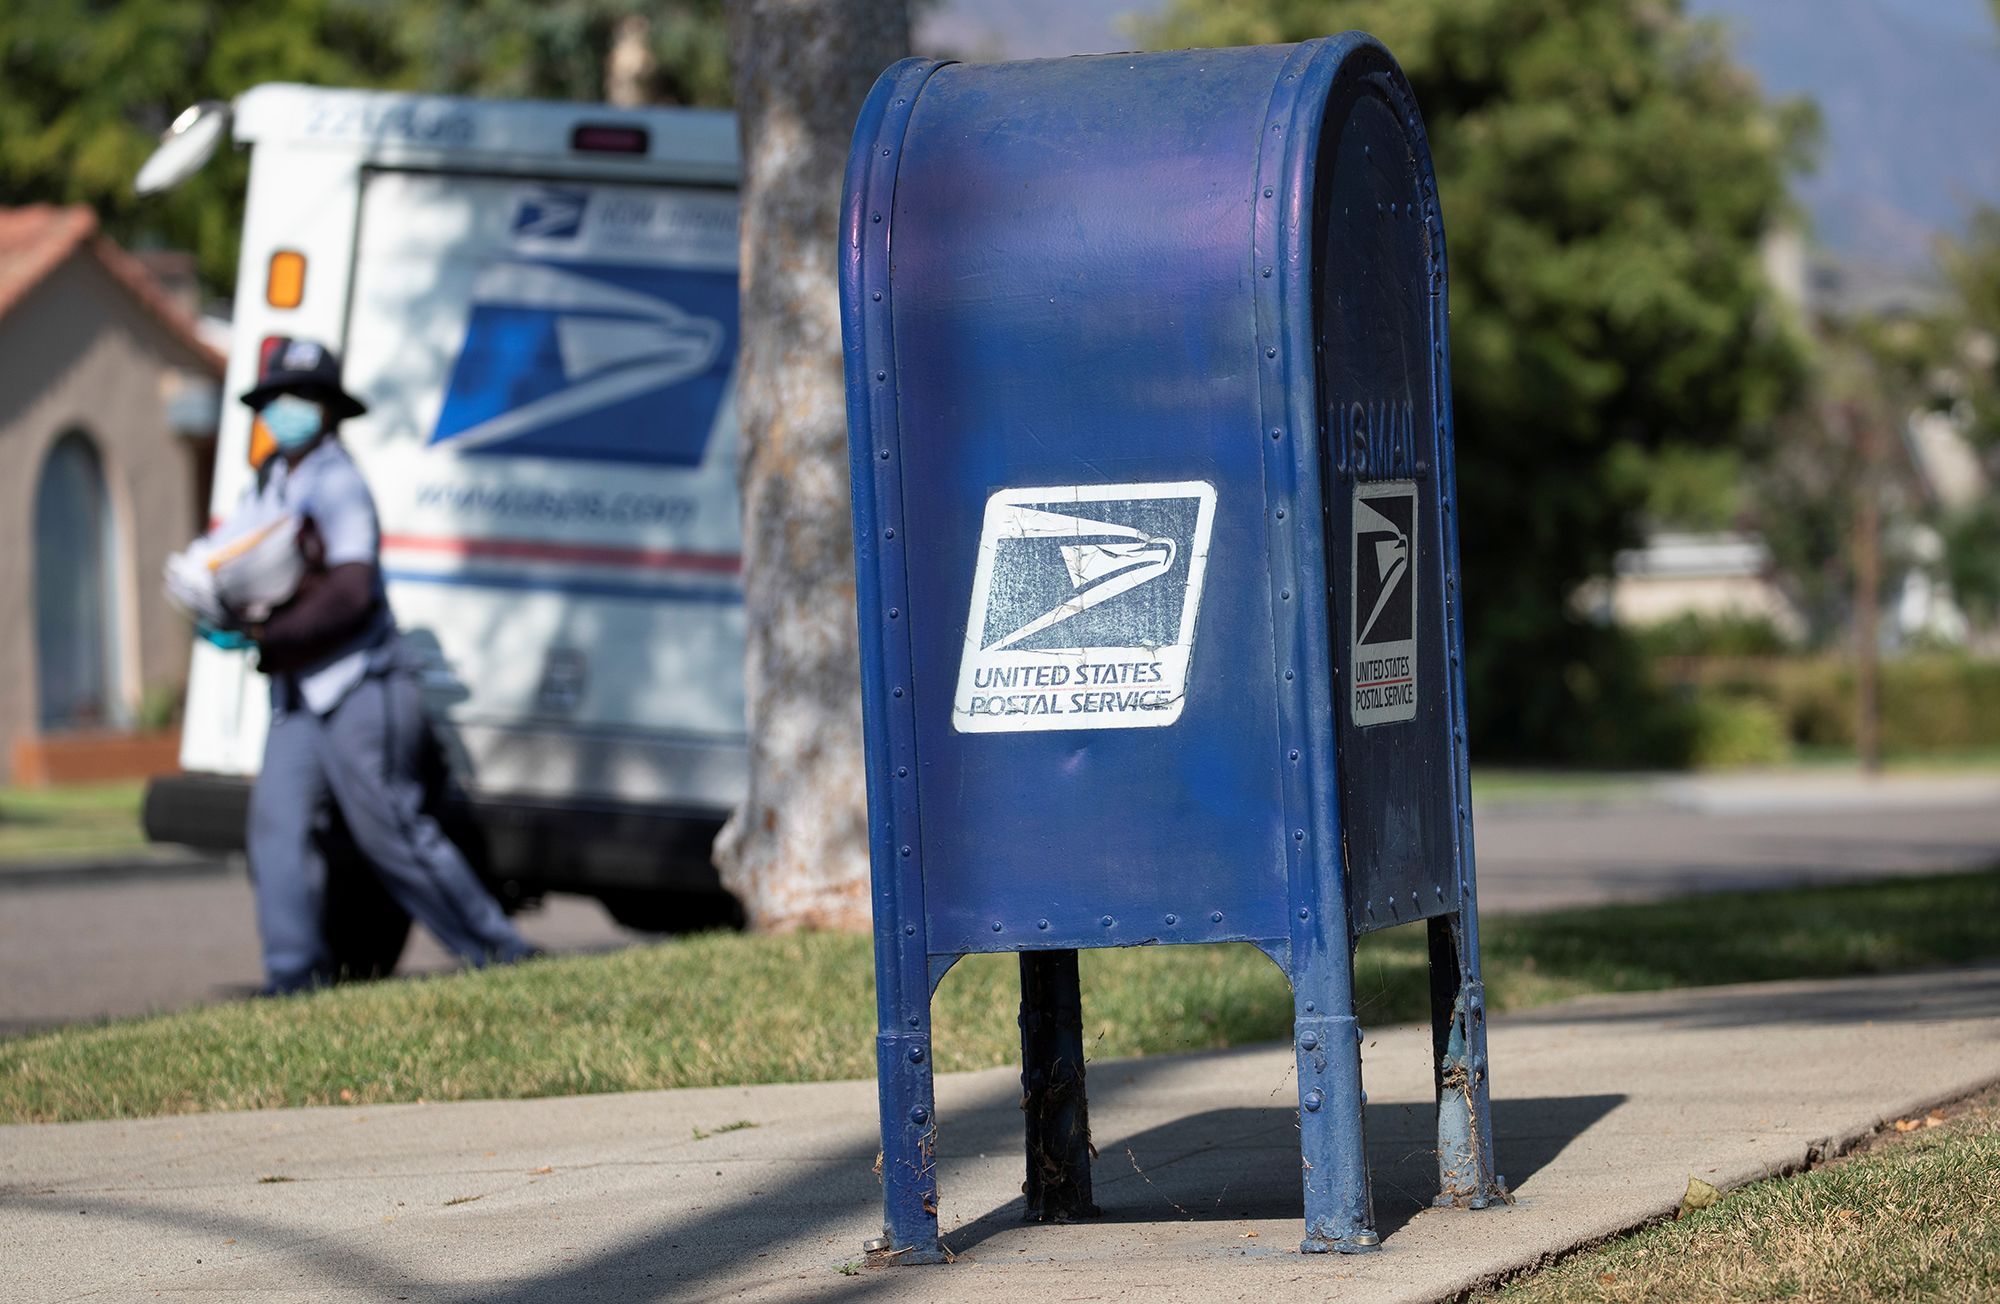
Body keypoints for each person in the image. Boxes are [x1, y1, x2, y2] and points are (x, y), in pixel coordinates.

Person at [219, 337, 534, 993]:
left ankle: (497, 952)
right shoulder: (269, 481)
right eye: (278, 398)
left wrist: (269, 631)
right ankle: (293, 978)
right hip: (299, 694)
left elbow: (351, 590)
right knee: (276, 825)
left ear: (330, 411)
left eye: (303, 399)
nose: (287, 411)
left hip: (362, 683)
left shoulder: (338, 480)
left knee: (388, 826)